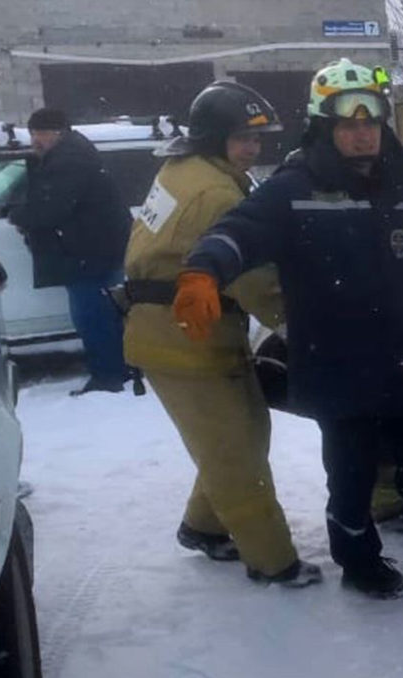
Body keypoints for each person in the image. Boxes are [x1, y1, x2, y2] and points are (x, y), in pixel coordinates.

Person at [171, 59, 403, 629]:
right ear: (325, 124)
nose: (362, 131)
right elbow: (236, 231)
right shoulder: (293, 189)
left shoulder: (401, 186)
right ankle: (360, 563)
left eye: (371, 118)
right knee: (350, 478)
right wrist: (203, 270)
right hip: (335, 370)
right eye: (347, 120)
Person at [121, 82, 321, 586]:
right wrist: (300, 324)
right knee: (235, 450)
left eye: (258, 138)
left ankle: (204, 527)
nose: (253, 148)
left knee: (242, 434)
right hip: (185, 337)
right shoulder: (214, 192)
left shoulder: (185, 170)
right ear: (213, 138)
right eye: (241, 139)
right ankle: (272, 560)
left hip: (176, 328)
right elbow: (253, 278)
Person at [9, 108, 130, 395]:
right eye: (32, 134)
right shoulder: (72, 153)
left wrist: (18, 216)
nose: (34, 141)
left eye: (38, 134)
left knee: (93, 317)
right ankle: (118, 368)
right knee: (104, 314)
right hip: (95, 248)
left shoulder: (68, 161)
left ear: (56, 133)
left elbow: (50, 207)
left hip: (89, 254)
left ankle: (109, 377)